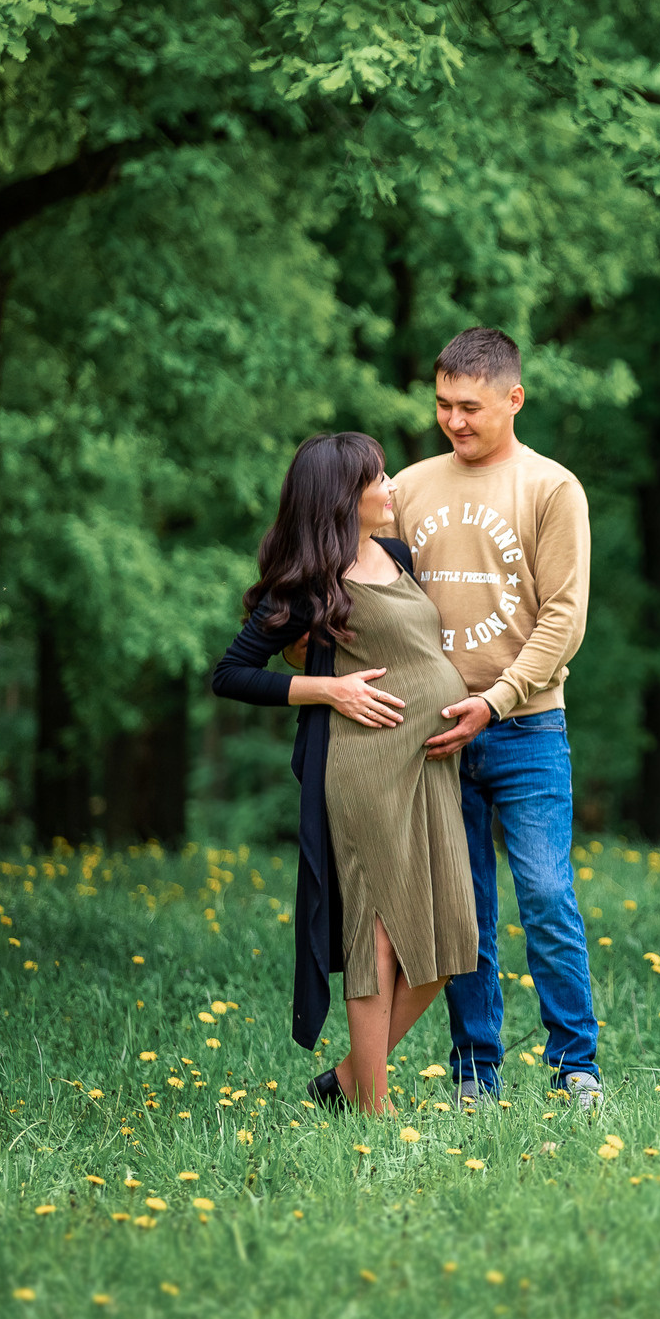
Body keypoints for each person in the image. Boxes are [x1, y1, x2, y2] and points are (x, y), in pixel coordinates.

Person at [209, 433, 478, 1113]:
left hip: (429, 768)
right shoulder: (310, 587)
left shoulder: (396, 555)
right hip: (365, 769)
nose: (391, 487)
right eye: (377, 478)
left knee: (452, 938)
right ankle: (373, 1110)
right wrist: (328, 690)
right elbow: (231, 673)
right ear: (341, 497)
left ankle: (350, 1081)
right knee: (378, 935)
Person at [391, 328, 602, 1111]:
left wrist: (498, 699)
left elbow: (564, 618)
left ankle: (575, 1066)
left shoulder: (551, 488)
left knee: (545, 891)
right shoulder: (408, 488)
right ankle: (474, 1073)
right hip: (435, 732)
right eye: (443, 403)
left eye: (470, 406)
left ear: (514, 398)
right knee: (465, 909)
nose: (454, 420)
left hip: (527, 727)